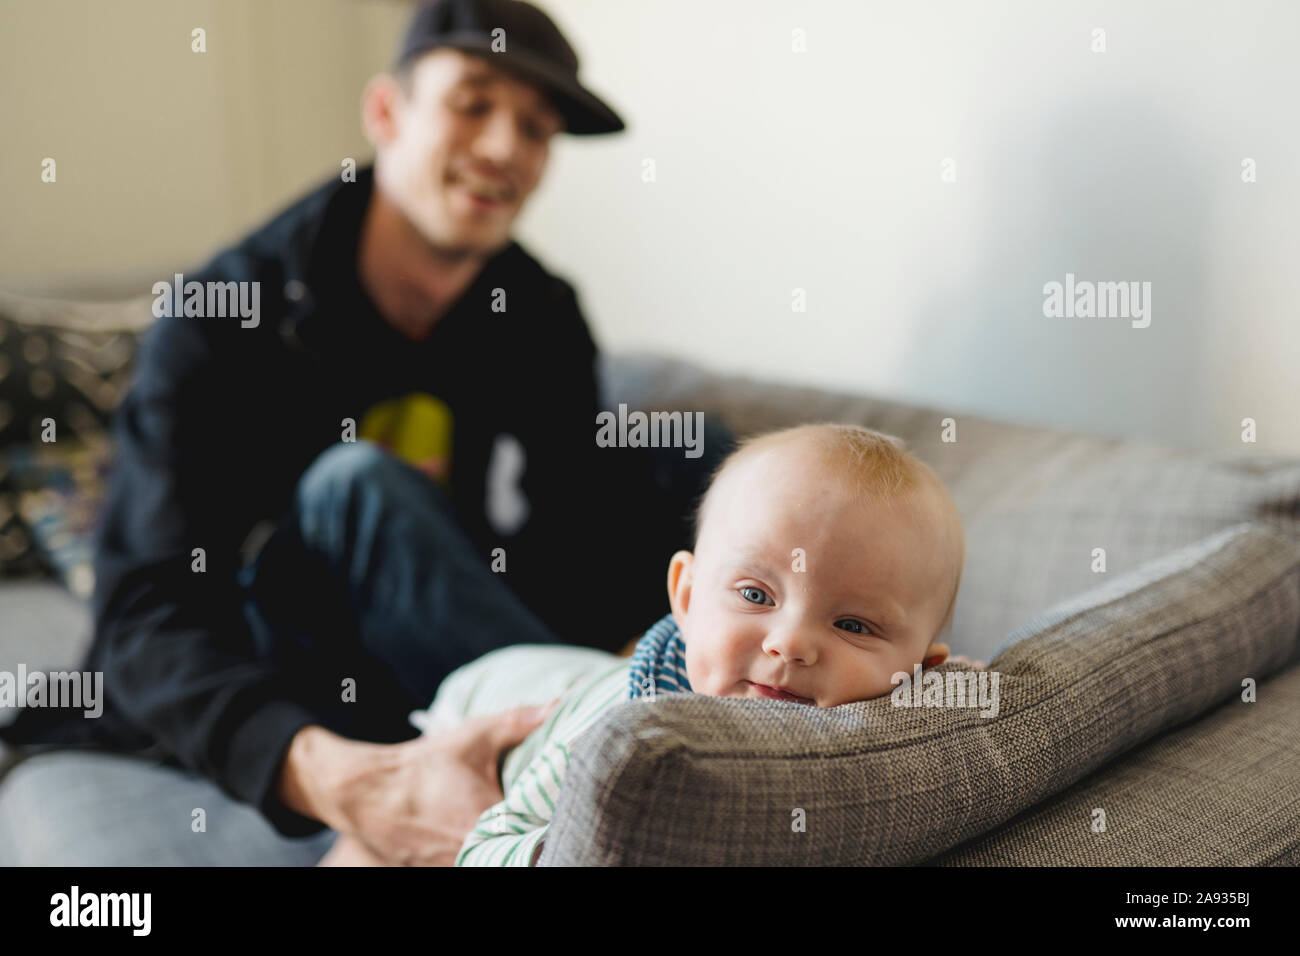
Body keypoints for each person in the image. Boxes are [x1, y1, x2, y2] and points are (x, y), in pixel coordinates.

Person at [0, 0, 731, 867]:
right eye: (473, 103)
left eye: (537, 129)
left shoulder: (534, 309)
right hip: (271, 646)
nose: (506, 148)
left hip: (413, 637)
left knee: (699, 454)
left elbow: (571, 513)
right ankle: (597, 742)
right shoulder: (222, 315)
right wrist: (328, 775)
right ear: (386, 113)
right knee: (358, 484)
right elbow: (146, 612)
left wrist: (645, 621)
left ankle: (616, 716)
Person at [320, 422, 971, 866]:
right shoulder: (617, 732)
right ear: (686, 597)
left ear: (921, 670)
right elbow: (484, 842)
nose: (790, 644)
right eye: (755, 595)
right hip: (487, 705)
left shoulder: (894, 737)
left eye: (854, 626)